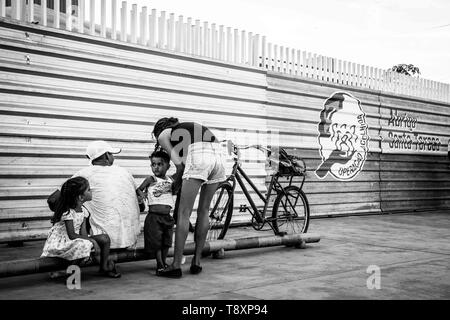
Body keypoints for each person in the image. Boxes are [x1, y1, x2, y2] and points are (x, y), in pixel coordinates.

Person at [152, 117, 226, 278]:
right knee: (204, 210)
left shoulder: (164, 134)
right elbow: (186, 167)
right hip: (219, 155)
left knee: (184, 213)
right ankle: (197, 262)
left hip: (200, 155)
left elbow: (180, 167)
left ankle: (176, 265)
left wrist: (172, 186)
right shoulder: (189, 133)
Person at [41, 176, 120, 278]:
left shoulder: (84, 211)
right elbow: (72, 235)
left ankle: (103, 267)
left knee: (104, 238)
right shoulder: (68, 212)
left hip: (75, 238)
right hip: (62, 241)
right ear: (80, 197)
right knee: (83, 245)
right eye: (88, 190)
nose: (91, 192)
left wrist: (91, 240)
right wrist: (93, 242)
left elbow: (82, 233)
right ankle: (71, 274)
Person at [72, 140, 141, 249]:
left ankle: (81, 243)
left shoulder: (83, 173)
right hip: (130, 239)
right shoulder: (124, 172)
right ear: (107, 156)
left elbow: (53, 200)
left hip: (104, 241)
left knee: (81, 202)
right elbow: (139, 199)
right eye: (111, 154)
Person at [137, 150, 176, 275]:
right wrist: (142, 194)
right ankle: (159, 265)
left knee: (166, 242)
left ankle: (164, 262)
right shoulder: (150, 179)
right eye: (153, 164)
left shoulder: (171, 180)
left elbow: (174, 192)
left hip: (167, 217)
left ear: (168, 166)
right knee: (157, 243)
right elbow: (138, 189)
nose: (156, 167)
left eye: (160, 164)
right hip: (154, 217)